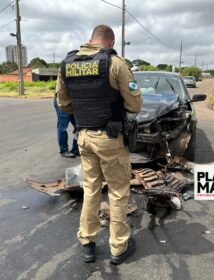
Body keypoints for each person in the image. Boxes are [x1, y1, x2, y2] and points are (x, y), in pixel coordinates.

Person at [56, 24, 142, 264]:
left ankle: (88, 242)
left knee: (91, 189)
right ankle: (118, 246)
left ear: (90, 40)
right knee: (117, 191)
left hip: (83, 137)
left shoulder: (67, 64)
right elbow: (135, 106)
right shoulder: (115, 64)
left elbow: (63, 104)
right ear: (111, 43)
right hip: (110, 139)